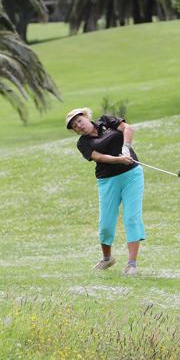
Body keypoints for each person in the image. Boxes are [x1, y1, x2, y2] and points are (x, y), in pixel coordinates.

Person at [66, 107, 145, 276]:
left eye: (79, 120)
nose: (78, 126)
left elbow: (128, 129)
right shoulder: (83, 143)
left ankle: (132, 264)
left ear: (86, 117)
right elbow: (99, 157)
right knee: (106, 224)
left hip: (132, 175)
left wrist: (126, 148)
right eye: (74, 126)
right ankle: (107, 258)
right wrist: (119, 159)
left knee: (132, 218)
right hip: (107, 180)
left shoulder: (107, 121)